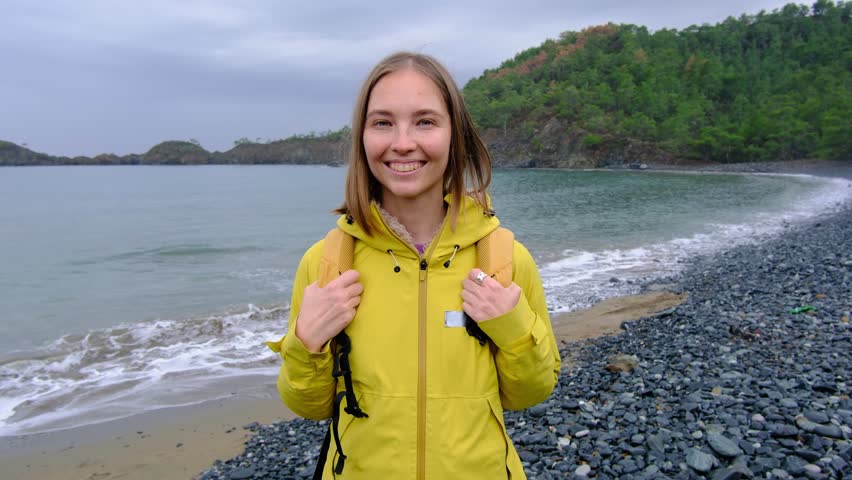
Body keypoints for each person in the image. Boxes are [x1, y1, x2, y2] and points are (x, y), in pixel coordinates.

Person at [267, 51, 560, 479]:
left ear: (454, 136)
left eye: (425, 121)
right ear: (363, 137)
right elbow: (308, 406)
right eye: (382, 122)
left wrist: (513, 328)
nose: (402, 142)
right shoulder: (327, 263)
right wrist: (306, 343)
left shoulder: (504, 258)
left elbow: (529, 393)